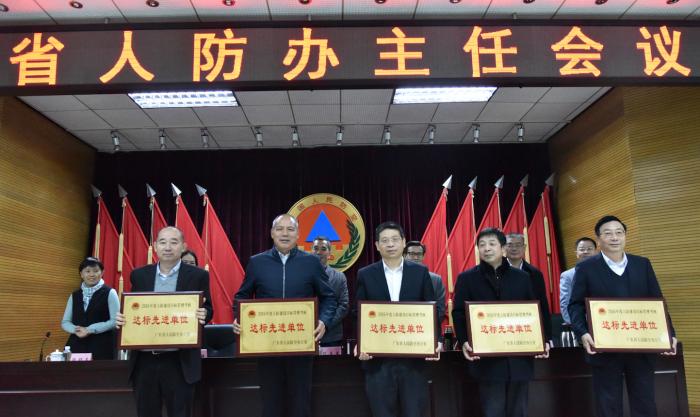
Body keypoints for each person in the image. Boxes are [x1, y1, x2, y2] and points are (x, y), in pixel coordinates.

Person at [568, 215, 677, 417]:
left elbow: (657, 302)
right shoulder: (586, 268)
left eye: (619, 232)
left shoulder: (642, 264)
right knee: (608, 404)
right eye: (608, 233)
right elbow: (575, 305)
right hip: (604, 348)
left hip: (641, 346)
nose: (614, 237)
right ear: (598, 239)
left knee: (645, 402)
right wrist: (582, 332)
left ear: (625, 236)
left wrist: (669, 334)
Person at [232, 214, 337, 417]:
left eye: (290, 229)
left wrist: (324, 321)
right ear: (272, 233)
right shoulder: (257, 262)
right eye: (280, 229)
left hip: (301, 344)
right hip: (266, 345)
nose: (285, 233)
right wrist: (239, 317)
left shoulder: (311, 262)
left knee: (300, 403)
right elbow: (241, 296)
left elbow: (329, 298)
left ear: (298, 235)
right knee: (271, 403)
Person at [116, 226, 213, 417]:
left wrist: (205, 313)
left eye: (173, 242)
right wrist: (123, 318)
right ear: (155, 246)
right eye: (162, 242)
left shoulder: (198, 275)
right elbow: (134, 309)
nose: (167, 247)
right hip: (144, 361)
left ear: (183, 246)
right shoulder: (139, 275)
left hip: (179, 360)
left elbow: (208, 308)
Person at [452, 228, 549, 417]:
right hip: (487, 360)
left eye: (492, 244)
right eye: (482, 245)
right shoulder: (467, 278)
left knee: (518, 410)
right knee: (493, 410)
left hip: (519, 357)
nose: (486, 248)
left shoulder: (522, 277)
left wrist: (542, 339)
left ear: (503, 249)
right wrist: (464, 341)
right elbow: (458, 313)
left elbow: (535, 311)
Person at [355, 222, 437, 417]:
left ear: (403, 242)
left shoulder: (420, 272)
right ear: (377, 245)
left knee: (414, 412)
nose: (390, 244)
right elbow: (358, 312)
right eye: (384, 240)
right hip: (378, 360)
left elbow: (431, 309)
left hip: (413, 358)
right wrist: (362, 342)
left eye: (394, 239)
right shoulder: (365, 274)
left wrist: (436, 341)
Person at [61, 256, 119, 360]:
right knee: (73, 371)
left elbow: (115, 321)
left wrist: (90, 330)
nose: (92, 274)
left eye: (96, 271)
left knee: (99, 370)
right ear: (81, 274)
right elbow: (65, 322)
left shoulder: (110, 293)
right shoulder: (74, 295)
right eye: (87, 271)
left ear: (102, 273)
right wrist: (76, 330)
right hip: (77, 345)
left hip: (102, 346)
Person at [504, 233, 553, 346]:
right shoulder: (496, 272)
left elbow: (542, 305)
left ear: (524, 247)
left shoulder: (535, 273)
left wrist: (547, 336)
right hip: (504, 326)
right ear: (504, 247)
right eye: (510, 245)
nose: (514, 248)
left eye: (518, 245)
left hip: (528, 326)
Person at [311, 235, 349, 349]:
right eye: (316, 248)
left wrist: (325, 324)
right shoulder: (301, 276)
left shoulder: (339, 277)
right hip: (306, 334)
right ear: (311, 251)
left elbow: (344, 306)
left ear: (329, 253)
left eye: (323, 249)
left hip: (332, 336)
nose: (319, 252)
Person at [559, 237, 596, 325]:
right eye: (582, 249)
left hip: (602, 321)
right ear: (576, 253)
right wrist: (574, 324)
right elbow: (565, 303)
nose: (586, 252)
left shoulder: (604, 272)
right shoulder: (567, 275)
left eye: (589, 249)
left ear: (596, 252)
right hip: (579, 323)